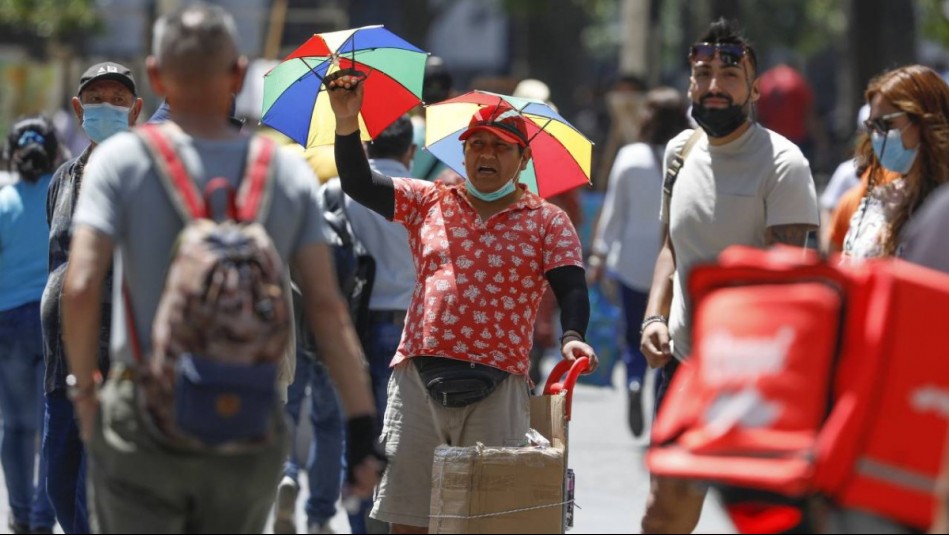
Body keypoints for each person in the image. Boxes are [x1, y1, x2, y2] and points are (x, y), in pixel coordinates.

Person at [60, 4, 380, 532]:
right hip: (247, 411)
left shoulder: (120, 163)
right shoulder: (282, 171)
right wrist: (362, 427)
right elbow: (326, 307)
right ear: (238, 73)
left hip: (142, 412)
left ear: (157, 77)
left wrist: (88, 399)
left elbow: (81, 286)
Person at [326, 70, 599, 533]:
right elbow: (357, 181)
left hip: (499, 389)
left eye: (500, 147)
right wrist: (347, 121)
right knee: (407, 520)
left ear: (523, 157)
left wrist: (573, 336)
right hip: (416, 382)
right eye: (476, 145)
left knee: (487, 522)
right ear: (463, 151)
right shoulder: (427, 200)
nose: (486, 155)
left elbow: (571, 285)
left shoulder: (548, 221)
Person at [638, 19, 819, 533]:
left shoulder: (783, 164)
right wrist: (655, 315)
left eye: (729, 75)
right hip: (684, 366)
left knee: (765, 519)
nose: (714, 86)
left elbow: (789, 282)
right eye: (702, 74)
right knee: (662, 513)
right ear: (690, 83)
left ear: (755, 88)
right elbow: (670, 248)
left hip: (754, 376)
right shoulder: (679, 153)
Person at [40, 61, 143, 535]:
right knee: (59, 487)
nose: (108, 108)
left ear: (137, 110)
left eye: (118, 101)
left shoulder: (145, 180)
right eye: (97, 99)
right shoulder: (63, 178)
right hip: (62, 368)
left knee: (92, 496)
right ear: (79, 109)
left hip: (119, 368)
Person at [588, 87, 689, 438]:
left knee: (634, 336)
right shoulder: (689, 157)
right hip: (675, 262)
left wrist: (600, 253)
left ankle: (633, 380)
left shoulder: (629, 157)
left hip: (631, 262)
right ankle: (660, 401)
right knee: (671, 338)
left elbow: (614, 210)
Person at [0, 115, 59, 534]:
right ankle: (43, 517)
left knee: (15, 426)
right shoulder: (63, 194)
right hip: (55, 320)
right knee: (50, 427)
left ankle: (19, 515)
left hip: (9, 327)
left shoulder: (3, 203)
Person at [840, 64, 949, 260]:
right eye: (872, 126)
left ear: (925, 121)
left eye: (886, 124)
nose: (876, 137)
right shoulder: (879, 201)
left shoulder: (943, 208)